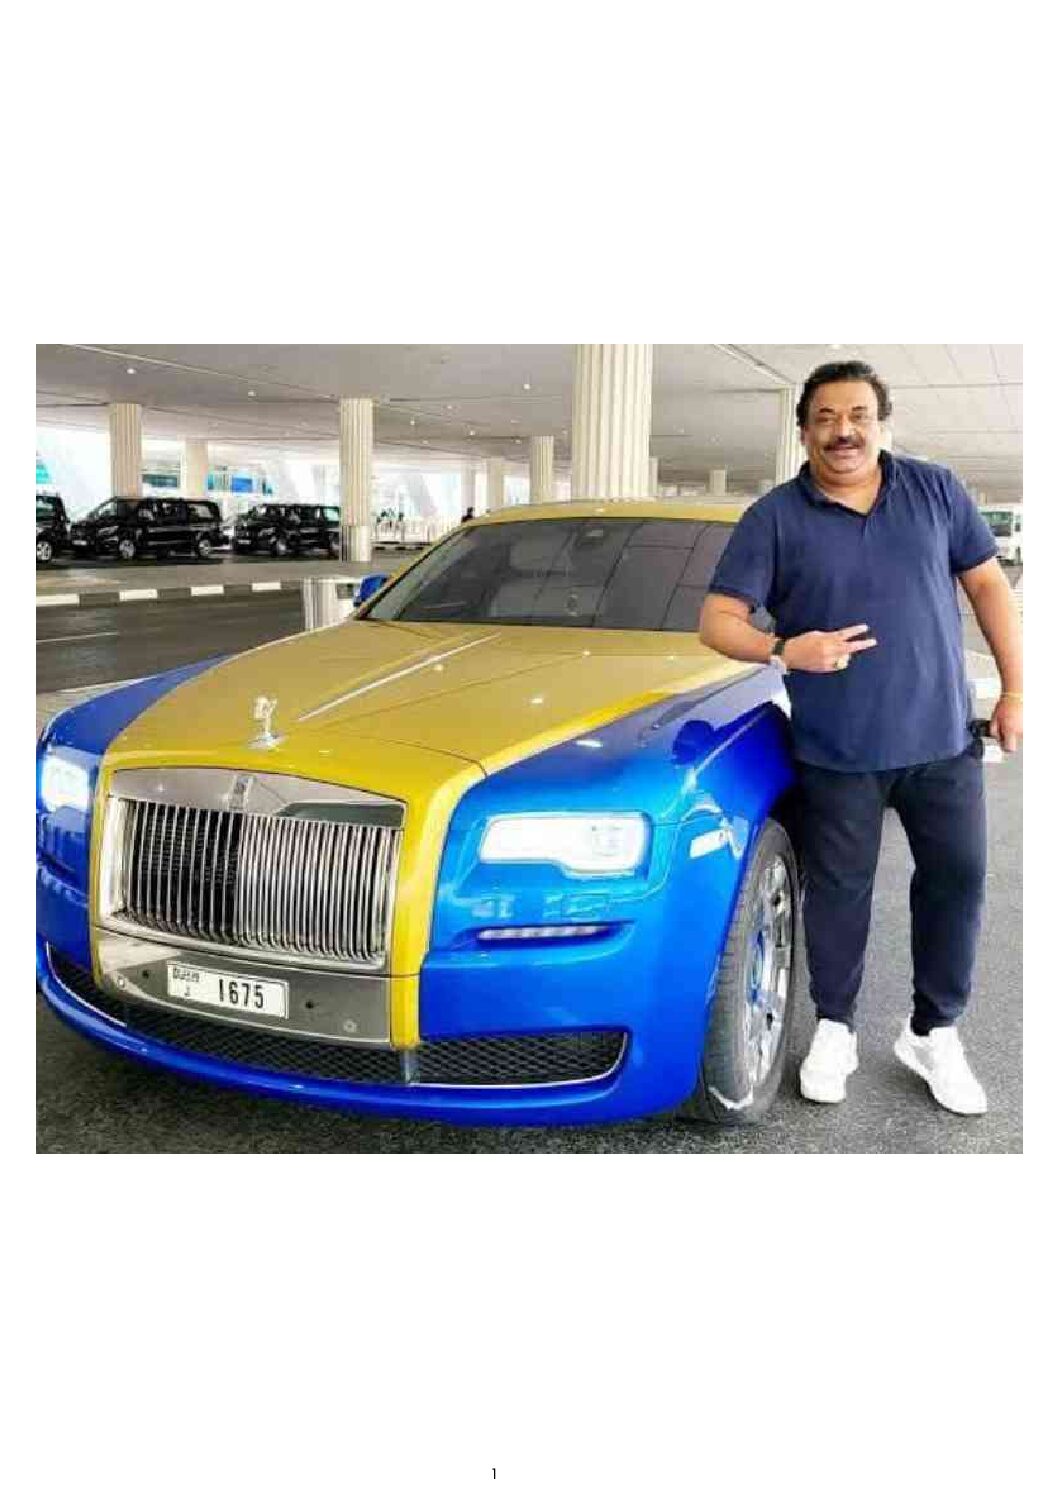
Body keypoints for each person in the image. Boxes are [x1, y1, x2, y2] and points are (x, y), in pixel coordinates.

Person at [699, 360, 1022, 1116]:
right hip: (837, 751)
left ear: (881, 423)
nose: (842, 431)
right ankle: (835, 1027)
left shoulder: (935, 490)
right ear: (804, 430)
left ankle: (933, 1032)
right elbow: (716, 620)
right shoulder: (775, 517)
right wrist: (785, 649)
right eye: (825, 418)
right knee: (840, 894)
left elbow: (986, 585)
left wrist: (1017, 688)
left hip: (942, 742)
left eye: (857, 416)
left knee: (957, 883)